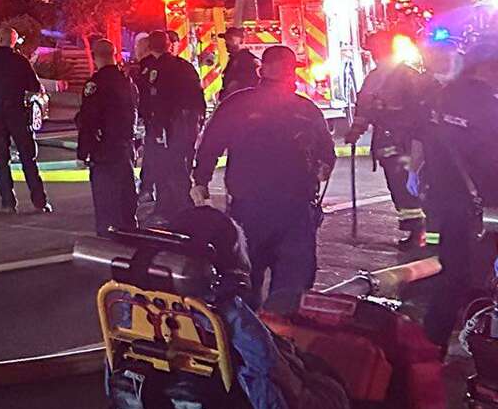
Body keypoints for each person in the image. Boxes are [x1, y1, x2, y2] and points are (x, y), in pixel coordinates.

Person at [191, 44, 336, 311]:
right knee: (291, 285)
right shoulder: (306, 109)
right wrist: (319, 169)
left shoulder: (238, 103)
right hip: (293, 207)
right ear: (293, 74)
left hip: (253, 206)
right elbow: (327, 156)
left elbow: (211, 143)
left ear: (262, 70)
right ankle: (281, 337)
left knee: (244, 278)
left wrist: (201, 180)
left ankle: (252, 339)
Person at [418, 42, 498, 349]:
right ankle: (475, 344)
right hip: (480, 207)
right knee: (472, 278)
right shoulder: (485, 103)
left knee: (453, 275)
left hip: (451, 200)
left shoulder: (443, 96)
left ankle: (432, 346)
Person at [351, 31, 436, 252]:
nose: (375, 53)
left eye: (378, 48)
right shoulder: (375, 76)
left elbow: (420, 109)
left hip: (405, 141)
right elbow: (365, 106)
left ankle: (422, 231)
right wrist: (356, 129)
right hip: (387, 140)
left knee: (410, 185)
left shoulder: (407, 76)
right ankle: (416, 229)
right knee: (397, 186)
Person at [0, 26, 51, 214]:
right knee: (28, 158)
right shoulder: (20, 60)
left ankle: (8, 203)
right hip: (17, 113)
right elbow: (34, 85)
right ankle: (40, 201)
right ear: (13, 42)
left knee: (1, 159)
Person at [139, 29, 207, 225]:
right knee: (176, 169)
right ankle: (177, 210)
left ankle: (174, 211)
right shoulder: (183, 67)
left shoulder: (150, 67)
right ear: (170, 44)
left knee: (168, 171)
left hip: (167, 128)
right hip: (176, 129)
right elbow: (197, 100)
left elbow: (147, 99)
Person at [77, 38, 138, 235]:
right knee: (126, 196)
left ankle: (109, 241)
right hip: (125, 147)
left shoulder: (95, 84)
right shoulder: (127, 82)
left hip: (104, 149)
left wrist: (82, 152)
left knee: (106, 201)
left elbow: (89, 119)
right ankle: (130, 235)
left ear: (94, 57)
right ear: (114, 55)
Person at [221, 27, 262, 98]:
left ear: (241, 40)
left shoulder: (247, 60)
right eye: (226, 40)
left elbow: (249, 84)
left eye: (230, 39)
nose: (227, 42)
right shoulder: (234, 59)